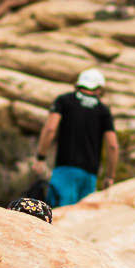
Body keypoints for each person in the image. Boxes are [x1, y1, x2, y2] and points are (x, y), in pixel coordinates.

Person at [37, 68, 119, 207]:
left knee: (57, 215)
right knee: (79, 221)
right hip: (90, 175)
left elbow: (50, 129)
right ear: (99, 88)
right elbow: (112, 146)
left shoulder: (64, 101)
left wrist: (40, 157)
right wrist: (110, 176)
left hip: (65, 169)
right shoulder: (103, 111)